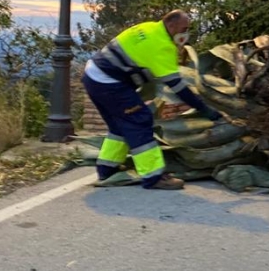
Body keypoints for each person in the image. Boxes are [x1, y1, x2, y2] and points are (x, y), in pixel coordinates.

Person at [81, 10, 223, 190]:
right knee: (139, 120)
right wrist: (204, 109)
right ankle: (153, 177)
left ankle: (106, 169)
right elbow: (177, 86)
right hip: (109, 83)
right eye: (184, 29)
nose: (186, 33)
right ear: (171, 25)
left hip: (93, 76)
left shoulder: (148, 27)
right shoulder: (162, 46)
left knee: (119, 126)